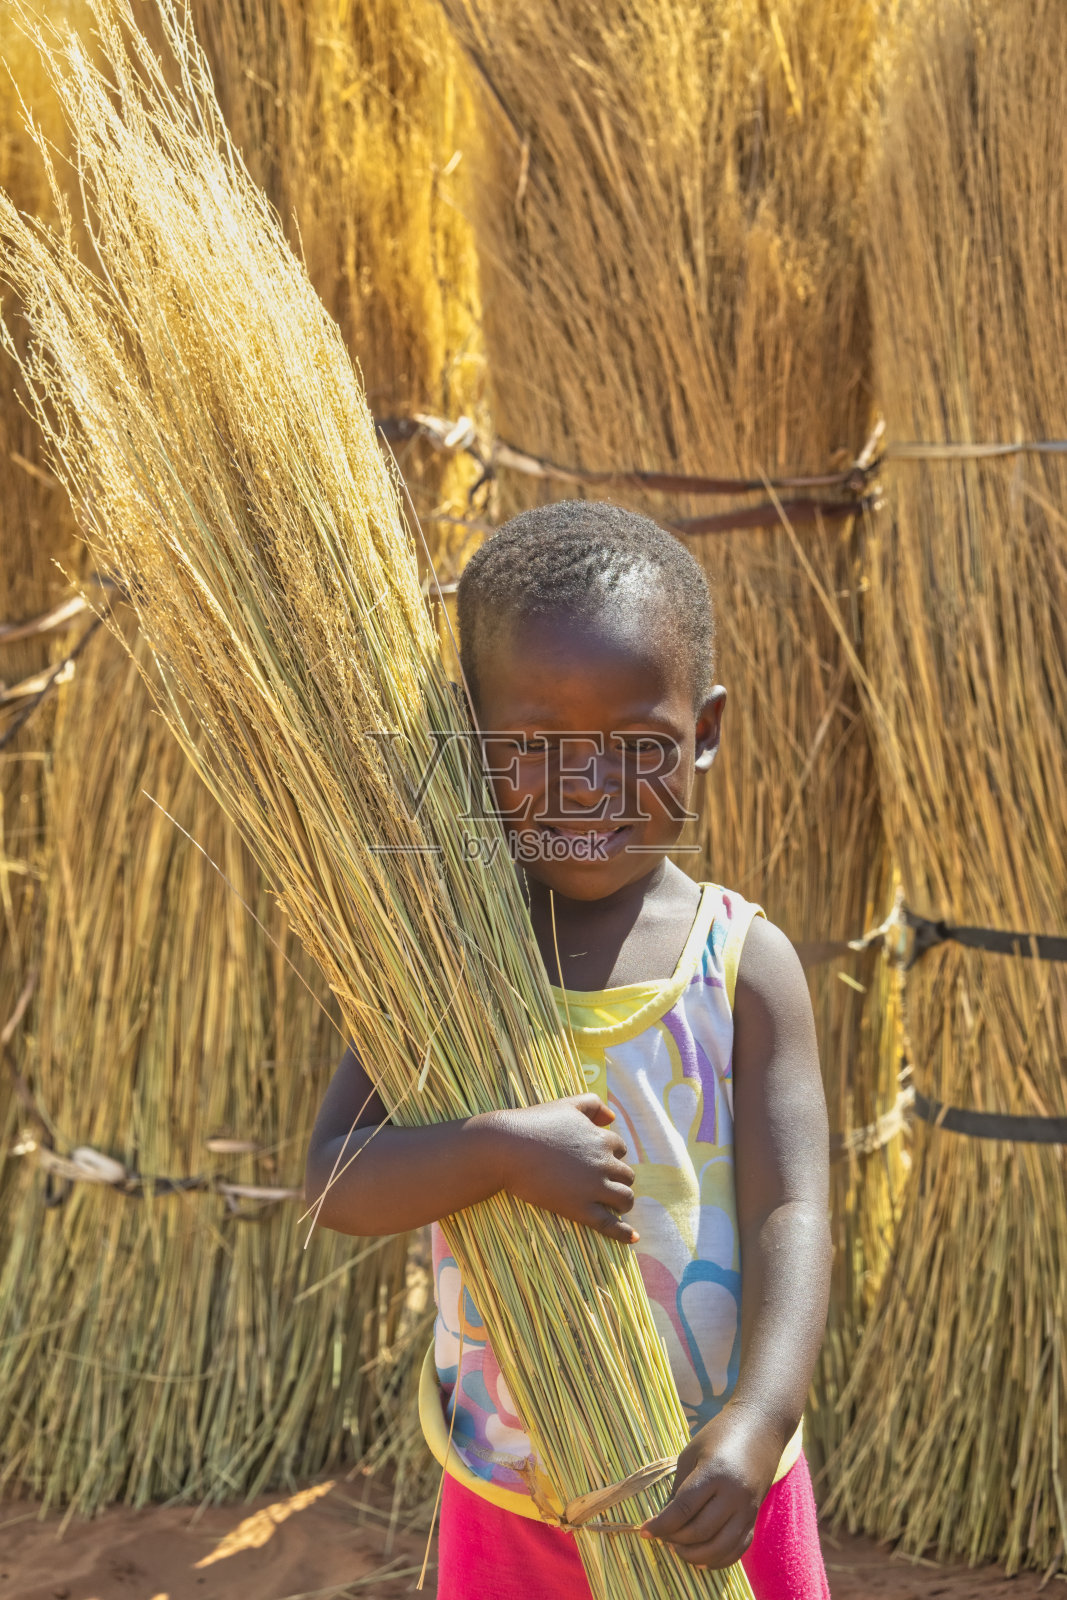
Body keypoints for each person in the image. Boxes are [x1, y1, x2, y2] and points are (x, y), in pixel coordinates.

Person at [305, 500, 832, 1600]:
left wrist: (758, 1418)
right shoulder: (437, 971)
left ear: (705, 730)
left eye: (637, 746)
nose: (587, 785)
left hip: (714, 1493)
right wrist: (493, 1150)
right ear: (469, 736)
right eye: (535, 747)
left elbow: (792, 1210)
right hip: (515, 1491)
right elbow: (333, 1182)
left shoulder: (740, 965)